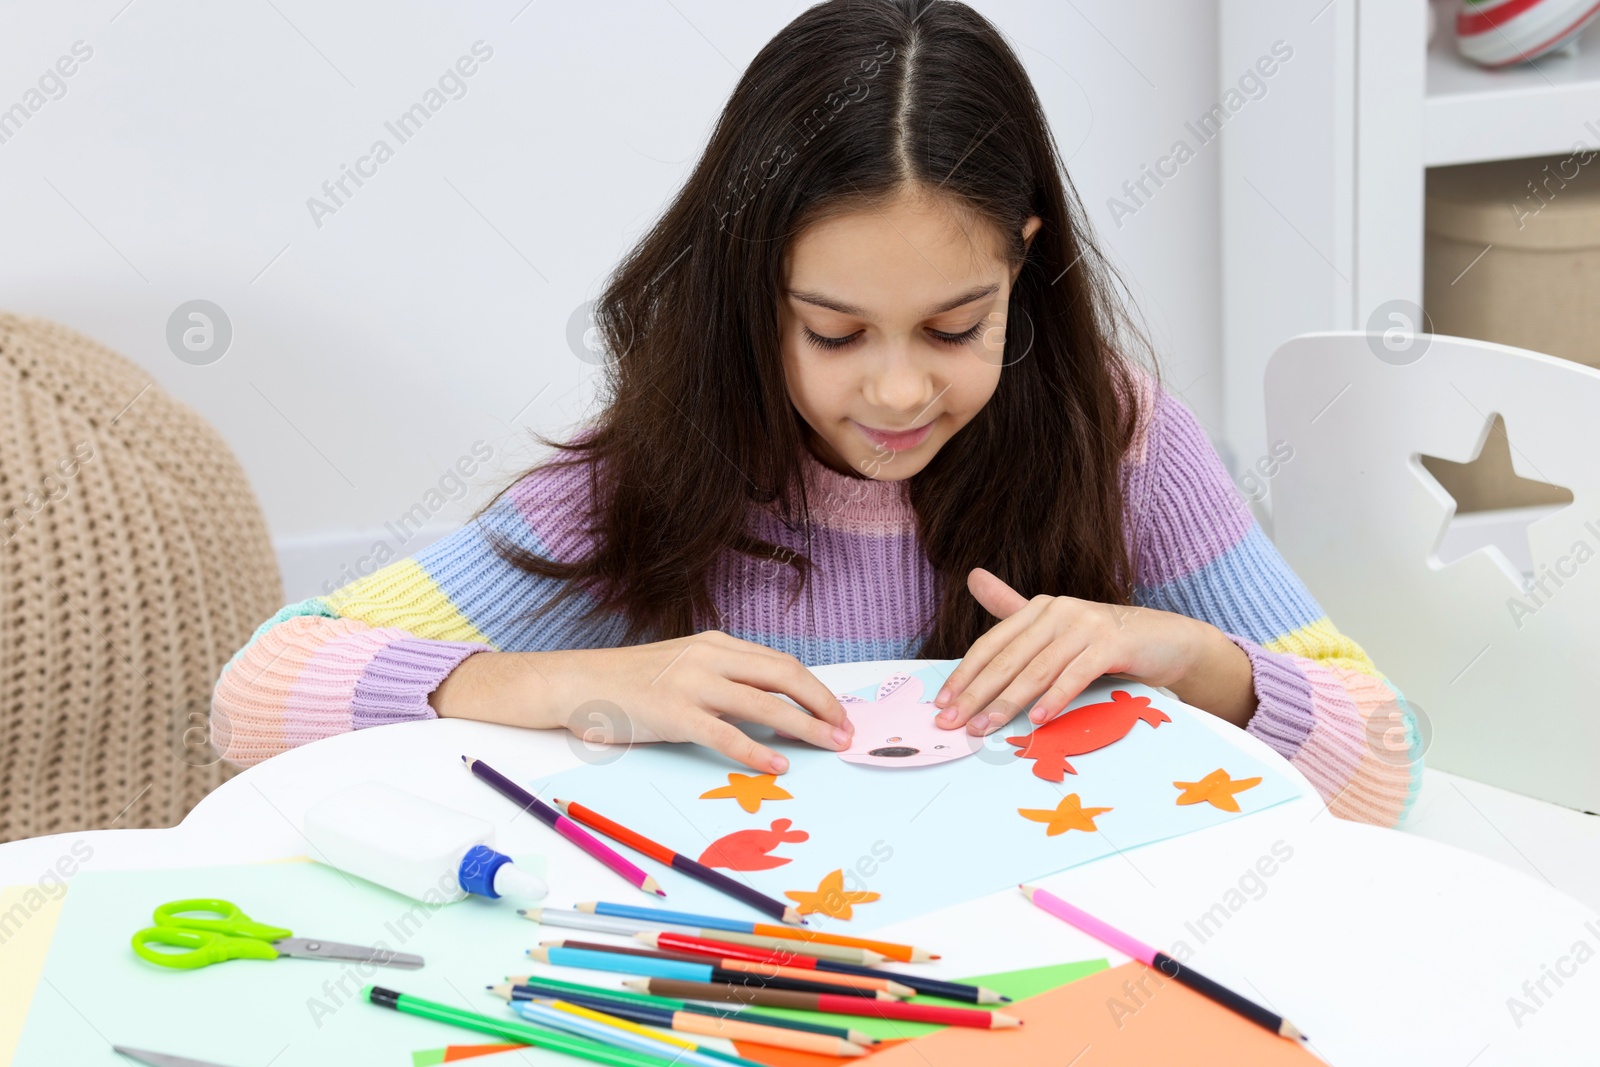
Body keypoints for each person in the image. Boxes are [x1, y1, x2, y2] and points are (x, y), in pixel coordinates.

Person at [212, 0, 1421, 826]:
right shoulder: (659, 471)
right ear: (754, 296)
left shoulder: (1117, 435)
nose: (896, 391)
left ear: (1023, 263)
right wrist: (578, 682)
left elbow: (1385, 760)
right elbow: (261, 690)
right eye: (833, 333)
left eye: (956, 326)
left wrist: (1194, 659)